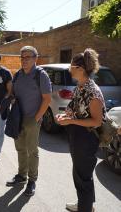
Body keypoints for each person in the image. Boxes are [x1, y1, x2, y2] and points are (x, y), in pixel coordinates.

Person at [56, 48, 104, 212]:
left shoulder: (93, 91)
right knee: (80, 175)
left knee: (83, 177)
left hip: (87, 138)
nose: (69, 69)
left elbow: (97, 121)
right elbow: (75, 109)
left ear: (80, 69)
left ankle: (85, 208)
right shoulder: (80, 86)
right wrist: (65, 116)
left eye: (71, 66)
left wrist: (71, 120)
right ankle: (86, 205)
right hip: (77, 135)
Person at [6, 46, 52, 197]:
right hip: (18, 118)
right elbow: (13, 93)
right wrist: (10, 99)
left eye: (28, 57)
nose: (24, 60)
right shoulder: (18, 75)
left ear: (35, 58)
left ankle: (32, 181)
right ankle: (21, 176)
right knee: (20, 148)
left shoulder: (41, 75)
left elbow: (47, 99)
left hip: (33, 119)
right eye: (22, 57)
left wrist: (37, 118)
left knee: (32, 151)